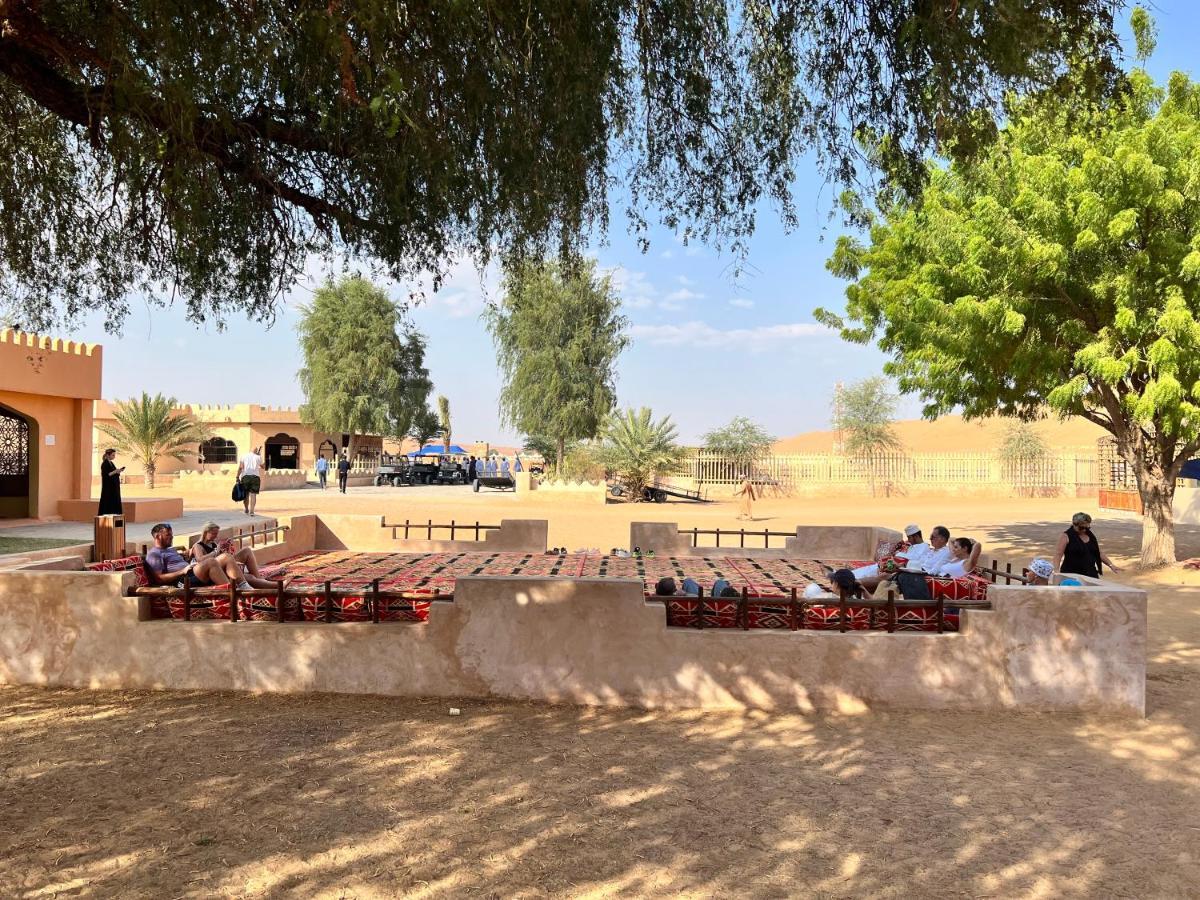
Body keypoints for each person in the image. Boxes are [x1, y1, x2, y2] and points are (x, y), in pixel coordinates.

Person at [190, 521, 271, 584]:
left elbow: (222, 557)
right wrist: (215, 552)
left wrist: (226, 549)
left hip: (224, 567)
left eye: (217, 534)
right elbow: (200, 560)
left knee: (247, 551)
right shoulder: (198, 545)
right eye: (214, 534)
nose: (216, 536)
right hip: (213, 572)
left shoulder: (213, 544)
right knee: (249, 578)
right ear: (205, 533)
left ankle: (259, 577)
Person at [1053, 512, 1120, 578]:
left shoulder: (1090, 535)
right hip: (1072, 574)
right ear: (1074, 525)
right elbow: (1058, 554)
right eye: (1082, 528)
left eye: (1087, 528)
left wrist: (1111, 565)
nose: (1084, 530)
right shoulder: (1066, 536)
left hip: (1090, 574)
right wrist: (1056, 570)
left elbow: (1098, 552)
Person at [97, 448, 125, 516]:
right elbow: (107, 474)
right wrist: (115, 471)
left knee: (115, 500)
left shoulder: (111, 463)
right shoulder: (104, 464)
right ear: (108, 455)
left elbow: (113, 473)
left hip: (113, 487)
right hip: (108, 488)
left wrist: (118, 471)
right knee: (108, 500)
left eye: (114, 455)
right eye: (112, 455)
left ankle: (115, 514)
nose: (114, 456)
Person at [237, 445, 263, 516]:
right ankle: (252, 511)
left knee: (246, 494)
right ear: (256, 451)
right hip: (255, 477)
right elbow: (263, 467)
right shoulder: (258, 457)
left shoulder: (243, 456)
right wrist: (259, 457)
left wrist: (237, 476)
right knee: (253, 494)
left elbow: (241, 467)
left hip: (245, 477)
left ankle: (246, 509)